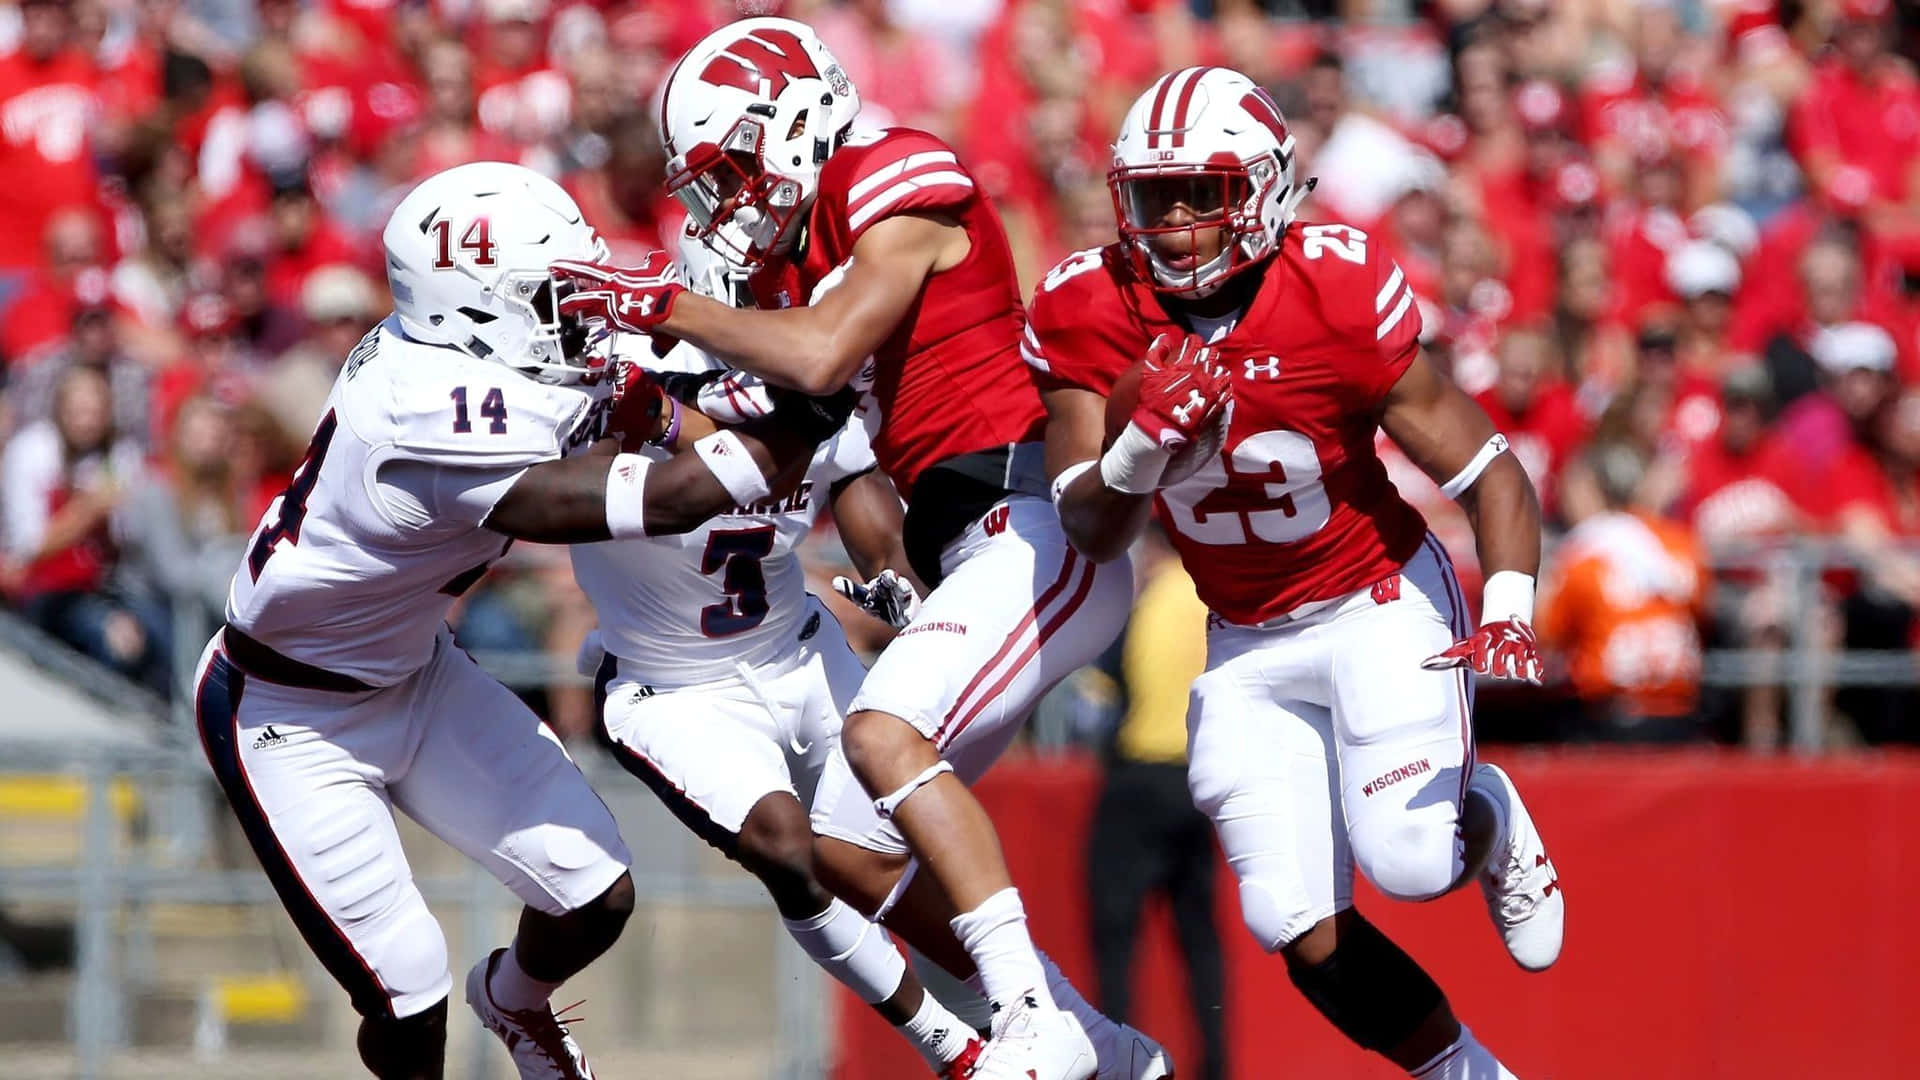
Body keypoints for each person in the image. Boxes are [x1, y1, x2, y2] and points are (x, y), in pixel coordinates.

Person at [551, 18, 1164, 1080]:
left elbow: (829, 349)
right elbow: (831, 458)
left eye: (735, 169)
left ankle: (1029, 1018)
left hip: (1034, 521)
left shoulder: (891, 169)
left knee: (882, 731)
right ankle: (1101, 1044)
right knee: (842, 842)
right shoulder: (806, 260)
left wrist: (667, 303)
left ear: (791, 116)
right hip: (974, 547)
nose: (733, 202)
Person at [196, 161, 857, 1080]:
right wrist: (818, 405)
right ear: (472, 308)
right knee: (408, 993)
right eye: (550, 296)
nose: (571, 315)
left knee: (596, 895)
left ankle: (513, 1001)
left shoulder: (472, 359)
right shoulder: (424, 408)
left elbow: (659, 420)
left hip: (416, 671)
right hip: (290, 710)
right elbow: (664, 500)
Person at [1032, 67, 1566, 1080]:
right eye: (1156, 197)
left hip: (1378, 602)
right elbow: (1091, 530)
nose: (1179, 221)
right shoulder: (1089, 310)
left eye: (1205, 192)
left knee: (1411, 867)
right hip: (1242, 638)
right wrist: (1136, 451)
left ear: (1270, 190)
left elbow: (1491, 470)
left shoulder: (1332, 291)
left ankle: (1483, 811)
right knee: (1294, 925)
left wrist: (1508, 605)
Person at [570, 248, 980, 1076]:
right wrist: (659, 416)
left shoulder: (811, 380)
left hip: (799, 646)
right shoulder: (619, 380)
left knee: (912, 832)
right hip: (674, 686)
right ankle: (950, 1044)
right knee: (790, 851)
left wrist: (903, 593)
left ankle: (1029, 1002)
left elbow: (873, 524)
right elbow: (683, 481)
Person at [1086, 528, 1226, 1080]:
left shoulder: (1145, 602)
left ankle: (1120, 1065)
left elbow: (1103, 693)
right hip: (1198, 782)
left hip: (1138, 775)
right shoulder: (1211, 604)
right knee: (1200, 941)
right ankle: (1216, 1067)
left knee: (1116, 937)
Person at [1538, 442, 1709, 741]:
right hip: (1683, 713)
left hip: (1610, 717)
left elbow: (1546, 635)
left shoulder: (1582, 554)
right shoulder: (1684, 544)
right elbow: (1704, 612)